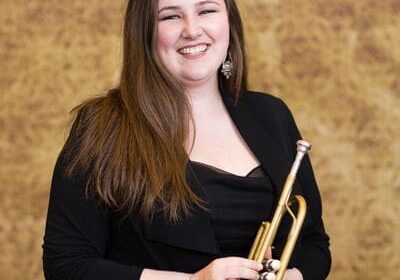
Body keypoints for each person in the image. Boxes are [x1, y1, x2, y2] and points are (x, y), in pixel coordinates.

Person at [42, 0, 331, 279]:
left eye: (206, 10)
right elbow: (66, 266)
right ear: (144, 31)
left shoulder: (272, 115)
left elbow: (316, 245)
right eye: (170, 16)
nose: (192, 29)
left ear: (228, 19)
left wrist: (289, 276)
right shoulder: (101, 126)